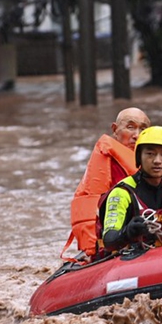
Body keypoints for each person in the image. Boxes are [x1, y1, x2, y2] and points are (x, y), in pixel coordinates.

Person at [64, 107, 151, 259]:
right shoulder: (108, 164)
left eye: (143, 129)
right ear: (115, 129)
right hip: (113, 242)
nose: (137, 135)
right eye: (130, 127)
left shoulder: (153, 164)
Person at [100, 126, 162, 254]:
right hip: (130, 261)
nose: (157, 161)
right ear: (139, 157)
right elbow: (109, 241)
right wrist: (128, 232)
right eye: (150, 154)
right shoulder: (122, 192)